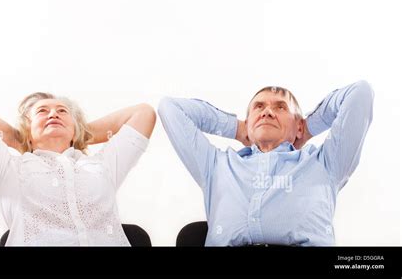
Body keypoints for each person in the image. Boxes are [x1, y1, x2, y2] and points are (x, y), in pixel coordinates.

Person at [158, 81, 374, 246]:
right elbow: (170, 109)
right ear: (248, 122)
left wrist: (307, 129)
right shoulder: (216, 166)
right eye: (258, 107)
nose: (267, 111)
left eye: (281, 108)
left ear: (298, 125)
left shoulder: (325, 164)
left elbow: (360, 94)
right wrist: (237, 128)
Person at [0, 92, 156, 246]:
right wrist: (19, 137)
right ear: (27, 130)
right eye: (42, 111)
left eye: (62, 111)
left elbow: (144, 113)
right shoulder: (9, 170)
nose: (53, 114)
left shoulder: (102, 166)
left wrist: (79, 131)